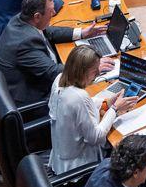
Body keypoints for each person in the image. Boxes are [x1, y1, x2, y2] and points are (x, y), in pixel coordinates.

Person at [0, 0, 106, 107]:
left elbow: (49, 32)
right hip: (32, 102)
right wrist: (92, 67)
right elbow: (53, 72)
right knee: (92, 97)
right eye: (51, 10)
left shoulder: (22, 19)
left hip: (29, 83)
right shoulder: (25, 44)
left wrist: (82, 33)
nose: (54, 12)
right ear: (37, 16)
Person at [49, 45, 138, 175]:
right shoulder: (79, 96)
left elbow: (78, 108)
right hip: (78, 169)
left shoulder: (59, 79)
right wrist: (115, 109)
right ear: (83, 71)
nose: (97, 74)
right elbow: (96, 137)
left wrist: (106, 102)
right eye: (94, 71)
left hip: (60, 160)